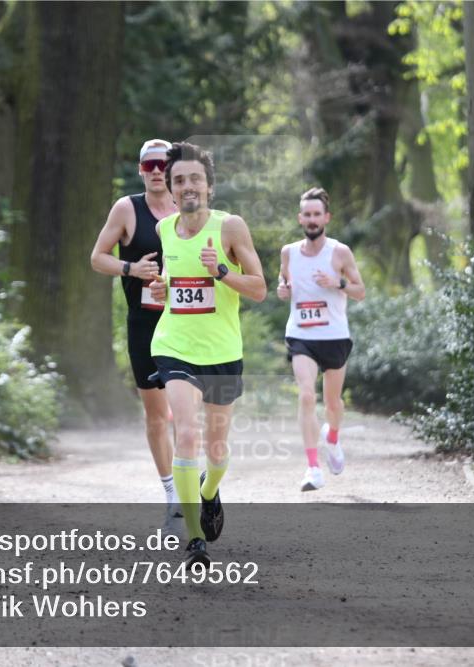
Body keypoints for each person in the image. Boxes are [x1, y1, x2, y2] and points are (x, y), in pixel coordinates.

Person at [149, 141, 267, 567]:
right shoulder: (165, 230)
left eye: (195, 178)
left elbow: (259, 288)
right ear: (171, 187)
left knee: (216, 451)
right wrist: (163, 287)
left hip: (222, 351)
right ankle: (195, 538)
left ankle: (209, 489)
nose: (187, 186)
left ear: (209, 186)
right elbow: (173, 284)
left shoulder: (230, 228)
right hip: (174, 345)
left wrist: (220, 270)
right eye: (179, 180)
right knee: (185, 433)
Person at [90, 139, 180, 524]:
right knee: (158, 414)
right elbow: (97, 258)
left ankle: (195, 481)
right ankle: (172, 493)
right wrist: (131, 269)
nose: (156, 171)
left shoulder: (188, 208)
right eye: (149, 166)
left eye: (162, 164)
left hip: (187, 322)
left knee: (191, 409)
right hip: (144, 323)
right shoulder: (127, 208)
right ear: (140, 170)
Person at [276, 187, 365, 492]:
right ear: (300, 218)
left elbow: (360, 291)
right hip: (301, 334)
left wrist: (337, 282)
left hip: (334, 335)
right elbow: (283, 280)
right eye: (307, 215)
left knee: (332, 403)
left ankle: (333, 437)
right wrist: (282, 289)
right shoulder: (288, 252)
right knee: (305, 396)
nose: (312, 220)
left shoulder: (339, 252)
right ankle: (313, 467)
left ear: (326, 217)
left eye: (317, 214)